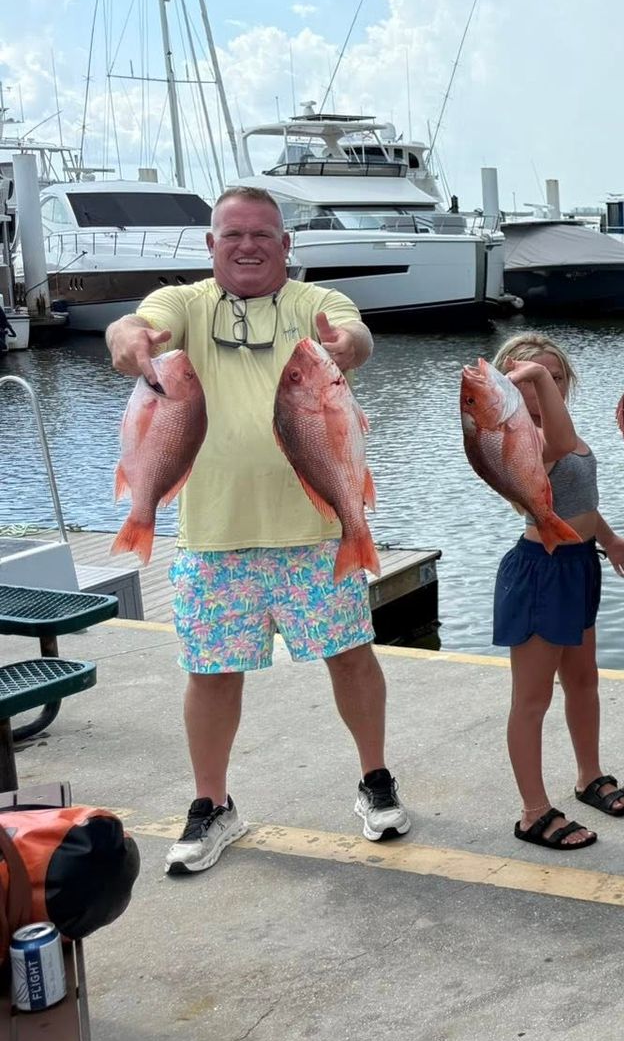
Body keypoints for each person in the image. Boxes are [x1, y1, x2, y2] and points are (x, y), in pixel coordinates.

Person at [104, 185, 412, 875]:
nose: (247, 245)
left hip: (315, 529)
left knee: (353, 655)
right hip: (214, 533)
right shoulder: (184, 305)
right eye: (232, 234)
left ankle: (376, 780)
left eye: (263, 235)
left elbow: (353, 332)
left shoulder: (311, 305)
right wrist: (126, 337)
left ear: (285, 245)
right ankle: (212, 804)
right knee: (210, 673)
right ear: (210, 244)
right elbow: (136, 324)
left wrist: (349, 345)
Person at [490, 332, 624, 851]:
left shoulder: (560, 429)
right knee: (531, 699)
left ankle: (587, 776)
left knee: (583, 682)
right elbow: (556, 448)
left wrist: (610, 538)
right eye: (537, 379)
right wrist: (527, 381)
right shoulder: (517, 436)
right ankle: (533, 812)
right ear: (512, 382)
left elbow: (579, 497)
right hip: (541, 570)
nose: (548, 387)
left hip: (580, 565)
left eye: (556, 378)